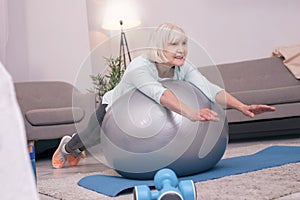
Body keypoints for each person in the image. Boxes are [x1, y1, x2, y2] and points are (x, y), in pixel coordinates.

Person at [52, 23, 276, 168]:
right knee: (90, 138)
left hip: (149, 114)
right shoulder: (140, 67)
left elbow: (209, 88)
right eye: (174, 44)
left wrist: (243, 106)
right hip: (114, 108)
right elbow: (160, 94)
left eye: (184, 44)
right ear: (159, 46)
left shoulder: (183, 66)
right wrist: (191, 112)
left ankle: (75, 151)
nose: (181, 50)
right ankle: (67, 147)